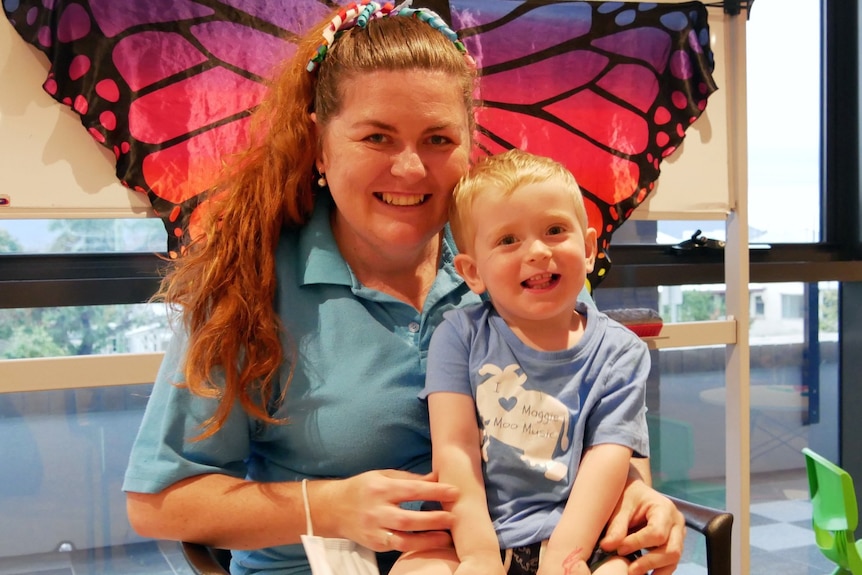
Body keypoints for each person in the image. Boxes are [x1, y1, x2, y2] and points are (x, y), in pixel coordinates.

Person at [122, 2, 684, 575]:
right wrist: (326, 506)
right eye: (377, 137)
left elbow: (593, 423)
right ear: (319, 142)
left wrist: (640, 498)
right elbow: (158, 502)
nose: (411, 169)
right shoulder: (250, 286)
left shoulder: (516, 263)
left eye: (438, 138)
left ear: (470, 142)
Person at [390, 149, 650, 575]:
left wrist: (566, 558)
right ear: (473, 273)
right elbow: (454, 450)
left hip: (578, 536)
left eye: (554, 230)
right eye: (508, 240)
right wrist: (477, 556)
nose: (536, 252)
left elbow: (607, 460)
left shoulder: (621, 353)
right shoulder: (459, 336)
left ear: (588, 249)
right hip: (467, 534)